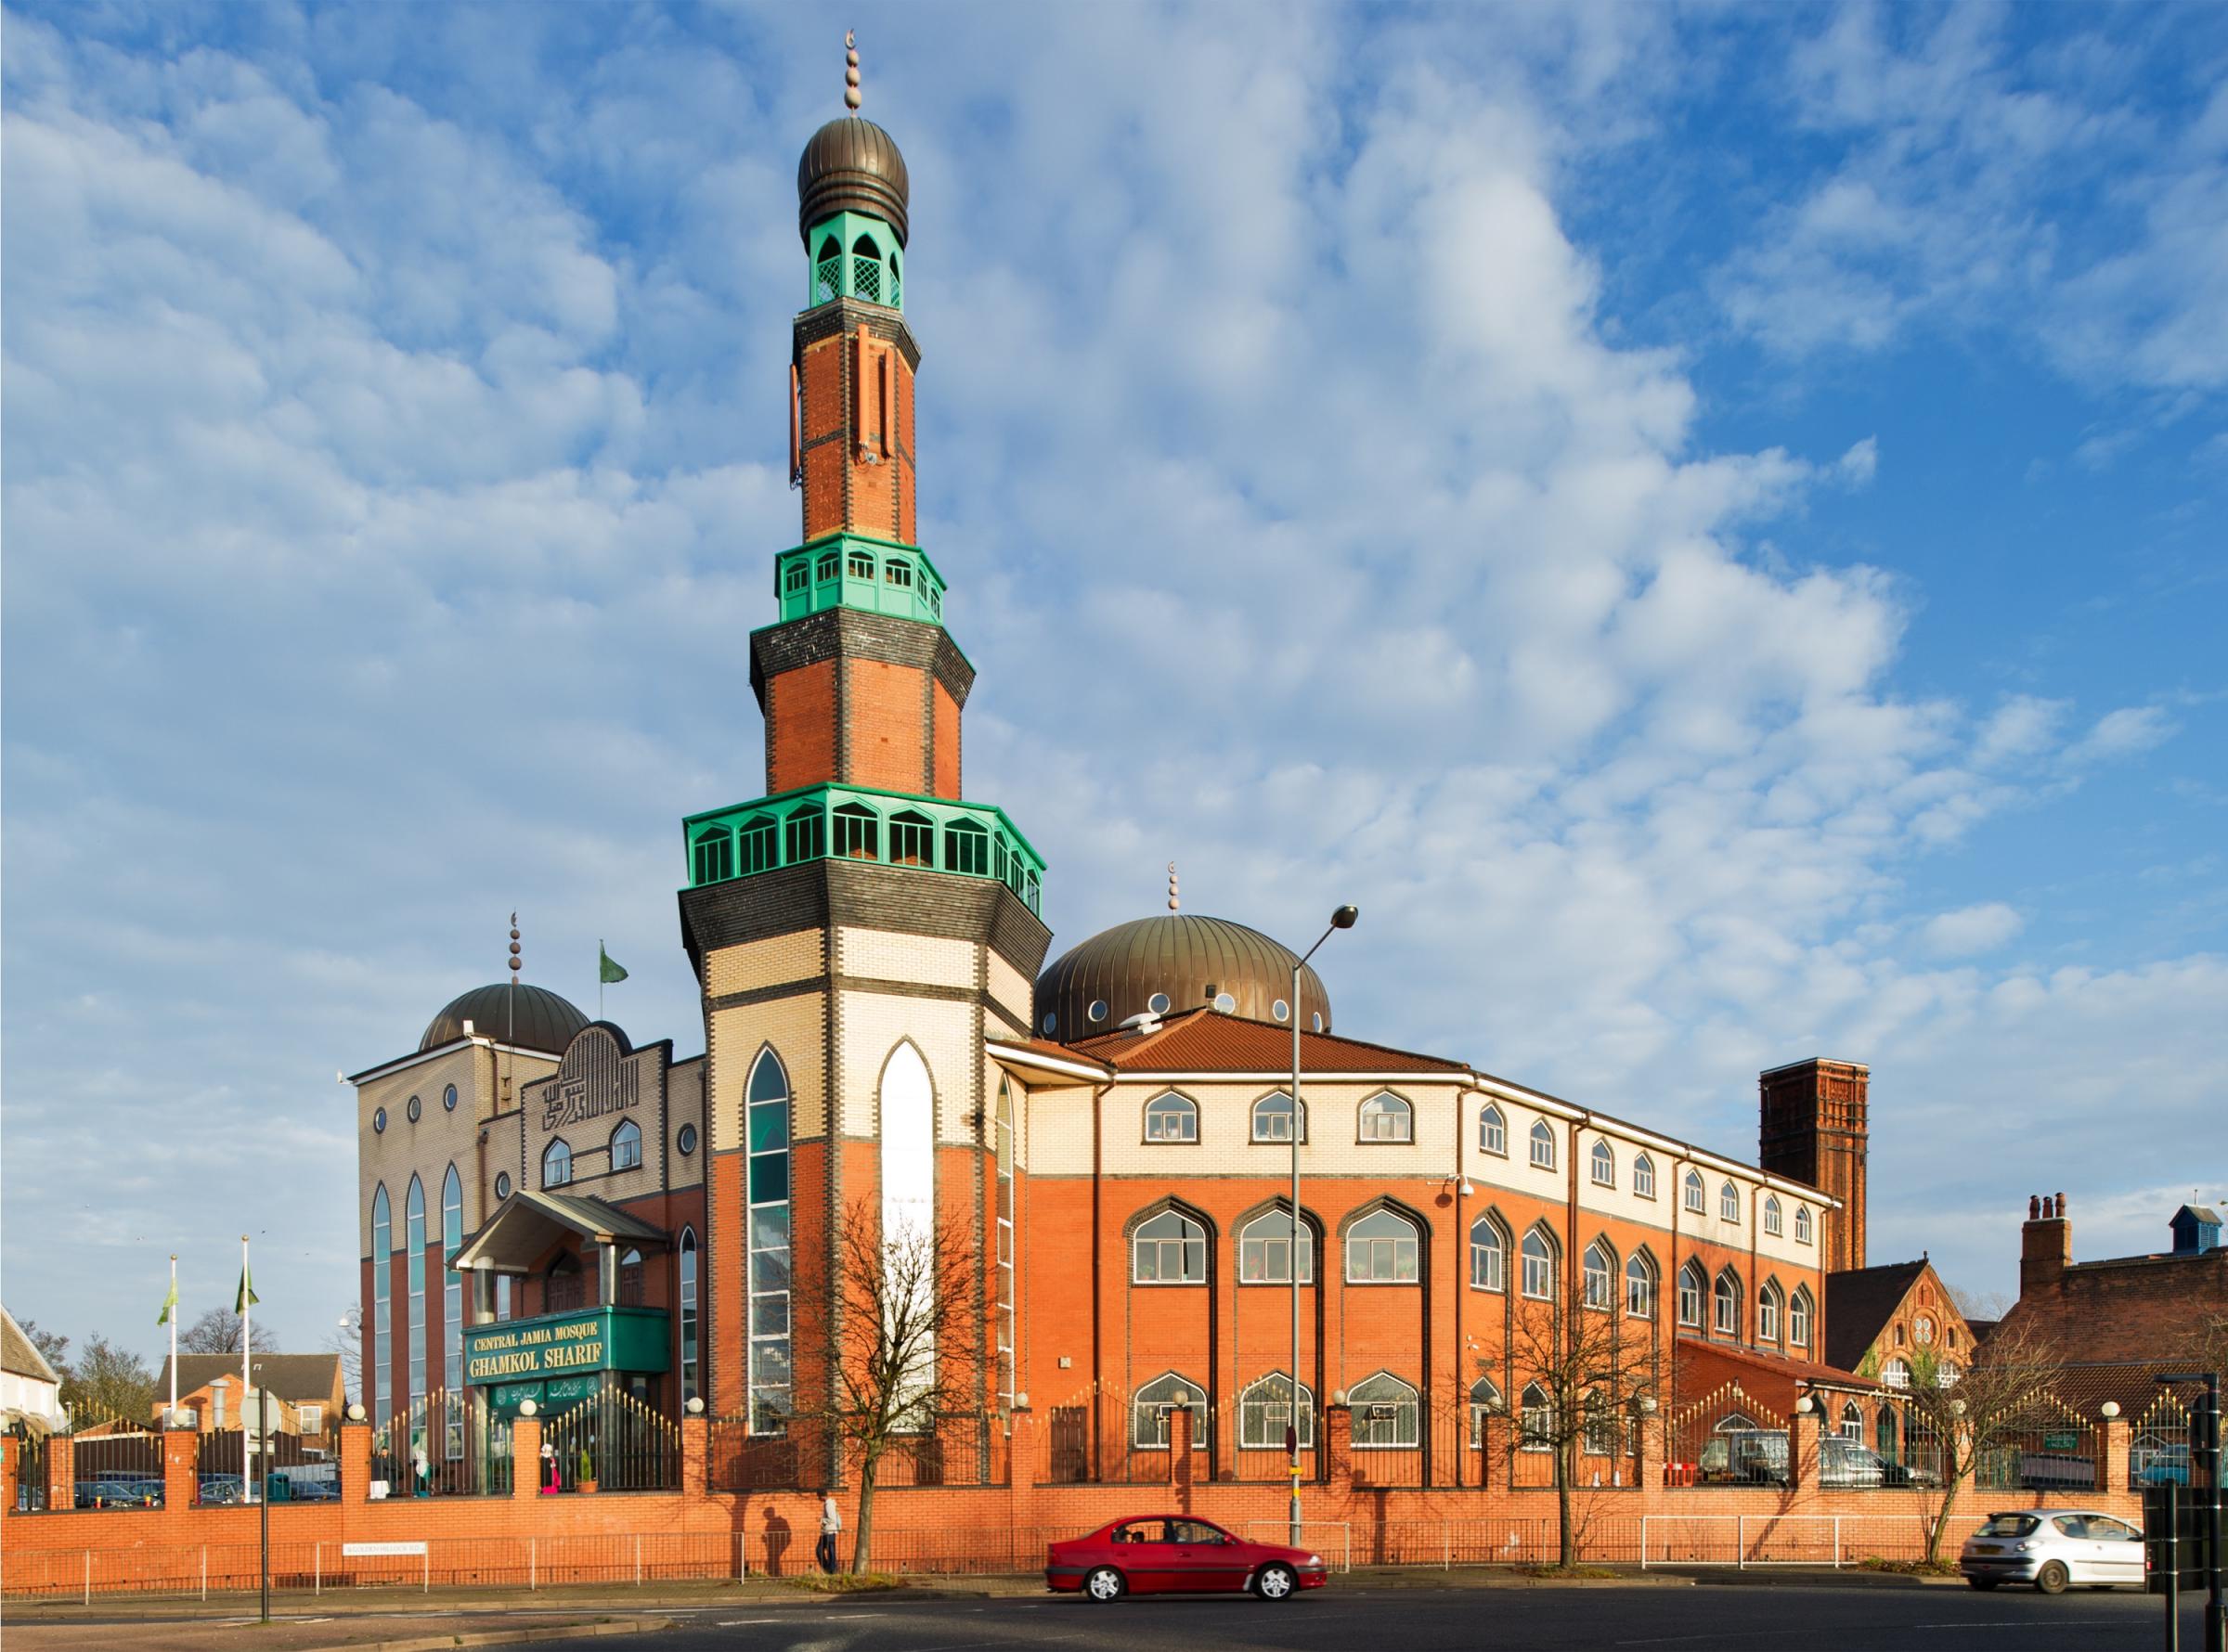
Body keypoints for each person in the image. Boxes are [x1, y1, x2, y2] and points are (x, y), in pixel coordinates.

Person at [816, 1488, 842, 1573]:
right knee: (820, 1550)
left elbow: (832, 1519)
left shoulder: (829, 1504)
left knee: (830, 1551)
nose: (818, 1498)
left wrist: (821, 1520)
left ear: (822, 1496)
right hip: (826, 1532)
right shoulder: (827, 1504)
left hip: (830, 1531)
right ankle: (828, 1568)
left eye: (818, 1496)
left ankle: (832, 1569)